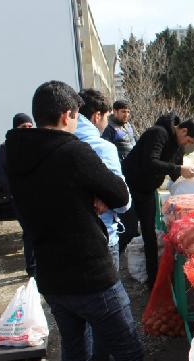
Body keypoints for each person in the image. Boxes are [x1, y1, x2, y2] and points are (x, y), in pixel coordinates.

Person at [4, 80, 188, 361]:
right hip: (91, 272)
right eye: (75, 116)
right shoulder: (72, 151)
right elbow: (120, 195)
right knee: (128, 351)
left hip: (51, 275)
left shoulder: (13, 153)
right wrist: (94, 197)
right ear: (67, 115)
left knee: (75, 354)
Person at [121, 113, 194, 288]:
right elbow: (150, 162)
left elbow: (175, 170)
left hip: (149, 190)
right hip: (131, 186)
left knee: (150, 235)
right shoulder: (158, 133)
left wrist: (189, 177)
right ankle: (112, 266)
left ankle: (153, 282)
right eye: (188, 141)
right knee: (127, 230)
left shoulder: (178, 145)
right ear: (183, 130)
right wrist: (178, 169)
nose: (187, 145)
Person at [75, 89, 131, 271]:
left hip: (67, 241)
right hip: (102, 235)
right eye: (106, 116)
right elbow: (123, 203)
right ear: (97, 116)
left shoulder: (59, 143)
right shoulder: (102, 147)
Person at [0, 113, 35, 276]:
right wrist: (14, 191)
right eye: (23, 127)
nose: (27, 130)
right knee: (30, 232)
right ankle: (32, 269)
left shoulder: (35, 144)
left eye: (30, 127)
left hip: (38, 196)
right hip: (21, 199)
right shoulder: (6, 147)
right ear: (15, 128)